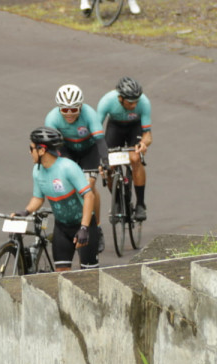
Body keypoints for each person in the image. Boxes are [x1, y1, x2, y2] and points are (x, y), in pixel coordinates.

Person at [41, 83, 103, 268]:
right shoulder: (52, 118)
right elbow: (51, 146)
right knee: (69, 185)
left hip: (89, 151)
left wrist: (106, 161)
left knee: (88, 186)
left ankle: (95, 225)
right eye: (65, 109)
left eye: (73, 109)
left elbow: (100, 141)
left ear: (80, 107)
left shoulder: (89, 114)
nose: (69, 113)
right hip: (67, 149)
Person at [21, 127, 95, 272]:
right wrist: (25, 212)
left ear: (42, 150)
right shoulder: (37, 170)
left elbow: (89, 196)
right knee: (61, 275)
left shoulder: (68, 167)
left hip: (83, 225)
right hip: (62, 228)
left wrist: (84, 228)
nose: (29, 152)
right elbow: (38, 198)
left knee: (90, 275)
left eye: (31, 148)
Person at [97, 76, 152, 220]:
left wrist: (143, 144)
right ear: (120, 98)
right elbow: (96, 130)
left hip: (135, 127)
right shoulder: (107, 101)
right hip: (115, 127)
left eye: (136, 101)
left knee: (135, 158)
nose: (134, 105)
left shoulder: (144, 102)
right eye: (130, 102)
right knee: (109, 165)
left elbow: (147, 135)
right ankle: (117, 202)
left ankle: (140, 204)